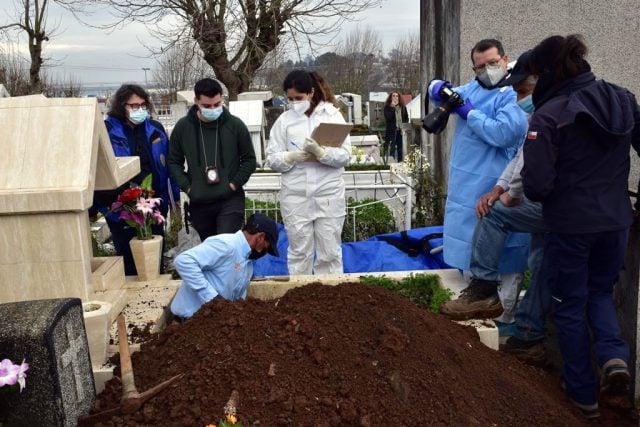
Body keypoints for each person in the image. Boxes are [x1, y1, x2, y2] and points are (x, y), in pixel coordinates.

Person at [522, 34, 640, 418]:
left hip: (571, 227)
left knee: (569, 307)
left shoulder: (548, 114)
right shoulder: (623, 98)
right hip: (617, 222)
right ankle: (613, 358)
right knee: (600, 293)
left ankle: (583, 397)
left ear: (548, 71)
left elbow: (537, 187)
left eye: (536, 76)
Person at [428, 39, 529, 320]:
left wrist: (469, 113)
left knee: (505, 262)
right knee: (468, 260)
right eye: (480, 66)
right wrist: (437, 86)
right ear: (473, 68)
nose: (487, 70)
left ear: (504, 59)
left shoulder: (511, 94)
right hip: (465, 189)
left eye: (493, 63)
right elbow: (437, 93)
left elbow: (505, 133)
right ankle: (475, 330)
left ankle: (505, 323)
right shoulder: (469, 90)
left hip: (499, 187)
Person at [265, 70, 351, 275]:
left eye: (299, 98)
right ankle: (299, 297)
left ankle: (329, 296)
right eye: (290, 99)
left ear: (311, 93)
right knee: (299, 252)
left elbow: (345, 156)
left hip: (328, 194)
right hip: (296, 196)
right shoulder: (284, 121)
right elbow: (272, 158)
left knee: (329, 252)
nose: (295, 103)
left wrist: (322, 153)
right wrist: (290, 157)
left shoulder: (332, 116)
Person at [91, 84, 180, 276]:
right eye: (133, 106)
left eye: (142, 105)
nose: (139, 109)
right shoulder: (108, 131)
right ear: (122, 106)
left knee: (154, 257)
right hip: (122, 208)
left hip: (153, 205)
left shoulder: (155, 129)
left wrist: (175, 197)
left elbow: (169, 164)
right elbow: (97, 170)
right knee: (129, 259)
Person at [168, 78, 257, 241]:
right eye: (207, 106)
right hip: (199, 201)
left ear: (222, 99)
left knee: (225, 245)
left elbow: (250, 160)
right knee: (208, 250)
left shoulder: (235, 125)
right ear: (196, 102)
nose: (213, 109)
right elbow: (173, 162)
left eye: (217, 104)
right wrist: (188, 187)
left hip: (230, 198)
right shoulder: (183, 128)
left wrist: (233, 184)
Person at [170, 212, 279, 321]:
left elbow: (237, 299)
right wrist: (213, 299)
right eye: (266, 246)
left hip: (211, 324)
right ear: (260, 237)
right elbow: (183, 261)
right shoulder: (226, 245)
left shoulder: (247, 263)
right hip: (189, 322)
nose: (263, 252)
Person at [383, 91, 409, 162]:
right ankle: (391, 163)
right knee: (392, 148)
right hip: (391, 131)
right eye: (393, 96)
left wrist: (404, 127)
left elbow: (406, 118)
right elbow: (389, 117)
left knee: (400, 148)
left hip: (400, 131)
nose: (395, 97)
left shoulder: (403, 107)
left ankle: (400, 163)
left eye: (396, 96)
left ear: (399, 97)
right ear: (391, 98)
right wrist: (393, 108)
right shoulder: (387, 107)